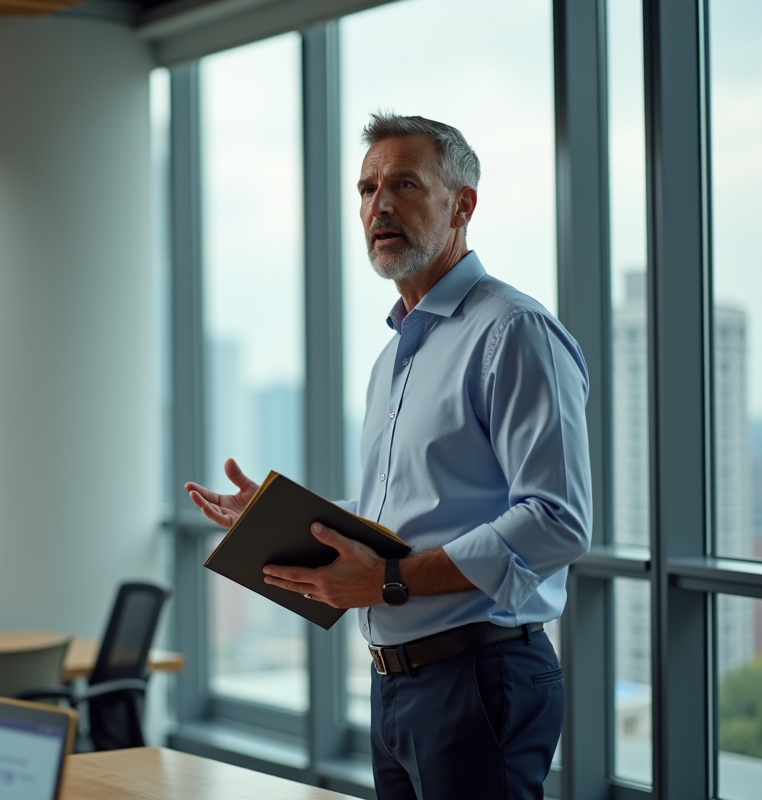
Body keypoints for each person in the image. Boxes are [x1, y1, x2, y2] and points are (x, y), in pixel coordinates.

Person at [186, 113, 591, 800]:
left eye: (403, 184)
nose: (379, 205)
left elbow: (556, 521)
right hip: (397, 684)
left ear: (462, 204)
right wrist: (283, 515)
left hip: (480, 676)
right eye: (367, 187)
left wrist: (392, 581)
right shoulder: (395, 357)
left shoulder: (513, 332)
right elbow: (401, 509)